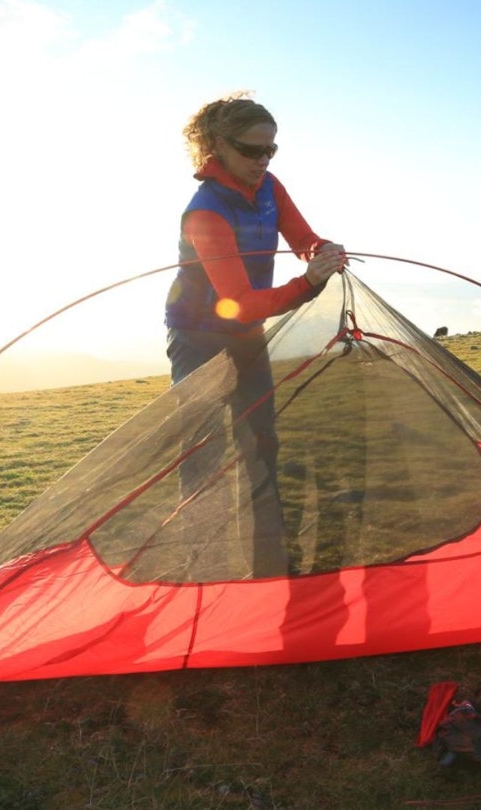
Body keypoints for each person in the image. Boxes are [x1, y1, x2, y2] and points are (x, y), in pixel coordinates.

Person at [164, 93, 347, 577]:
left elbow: (302, 239)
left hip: (247, 335)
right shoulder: (204, 212)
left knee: (261, 442)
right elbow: (238, 304)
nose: (262, 160)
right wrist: (307, 284)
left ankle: (270, 561)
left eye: (271, 150)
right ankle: (199, 565)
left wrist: (322, 251)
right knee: (202, 451)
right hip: (198, 337)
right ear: (217, 146)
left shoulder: (269, 186)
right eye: (251, 151)